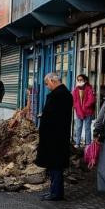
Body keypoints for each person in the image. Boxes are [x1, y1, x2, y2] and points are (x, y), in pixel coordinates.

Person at [36, 72, 73, 201]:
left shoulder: (59, 95)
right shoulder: (64, 94)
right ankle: (54, 191)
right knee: (54, 165)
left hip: (54, 136)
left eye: (47, 83)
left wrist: (44, 116)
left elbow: (53, 115)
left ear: (53, 80)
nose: (47, 86)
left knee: (55, 165)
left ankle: (56, 193)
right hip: (57, 135)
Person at [72, 74, 97, 146]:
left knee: (87, 128)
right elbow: (74, 101)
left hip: (87, 112)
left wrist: (84, 107)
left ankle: (88, 144)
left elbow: (91, 100)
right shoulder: (76, 90)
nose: (79, 81)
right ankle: (77, 143)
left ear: (85, 80)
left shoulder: (89, 88)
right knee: (78, 128)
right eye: (78, 80)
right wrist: (79, 109)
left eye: (81, 80)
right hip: (79, 112)